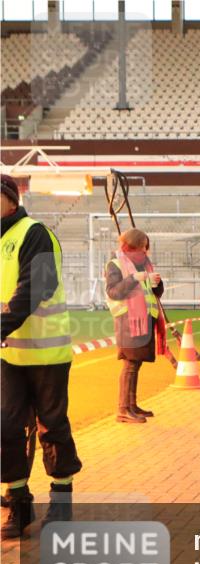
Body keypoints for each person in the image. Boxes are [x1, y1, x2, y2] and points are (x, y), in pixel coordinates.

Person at [1, 174, 82, 539]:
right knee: (6, 429)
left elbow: (40, 284)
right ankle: (18, 504)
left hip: (47, 353)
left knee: (52, 426)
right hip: (9, 354)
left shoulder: (35, 232)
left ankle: (61, 502)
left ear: (10, 200)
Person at [105, 228, 166, 424]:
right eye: (142, 248)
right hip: (128, 321)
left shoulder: (143, 265)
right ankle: (123, 409)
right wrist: (133, 279)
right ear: (131, 246)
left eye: (145, 249)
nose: (145, 252)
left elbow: (153, 293)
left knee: (135, 363)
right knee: (130, 364)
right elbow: (114, 292)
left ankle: (131, 405)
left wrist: (157, 283)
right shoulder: (115, 264)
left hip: (143, 319)